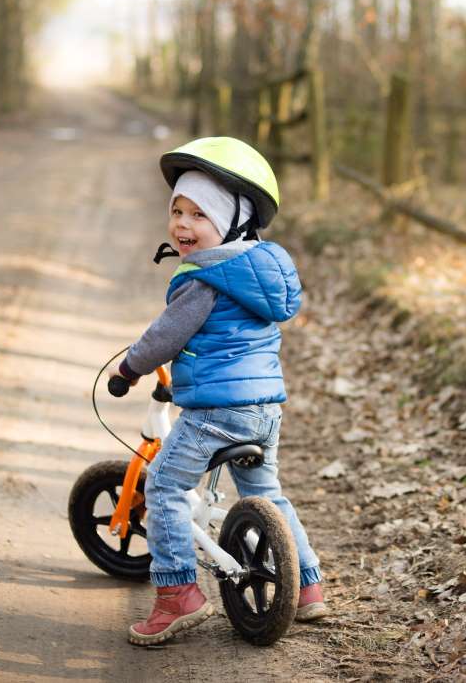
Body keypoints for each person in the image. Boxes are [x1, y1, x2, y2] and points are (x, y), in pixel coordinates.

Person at [114, 136, 326, 647]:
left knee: (163, 484)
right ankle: (309, 587)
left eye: (199, 216)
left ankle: (176, 596)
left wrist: (130, 367)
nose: (183, 226)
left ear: (231, 223)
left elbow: (166, 335)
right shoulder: (259, 270)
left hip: (214, 412)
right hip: (265, 410)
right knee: (265, 493)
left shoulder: (204, 278)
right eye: (177, 212)